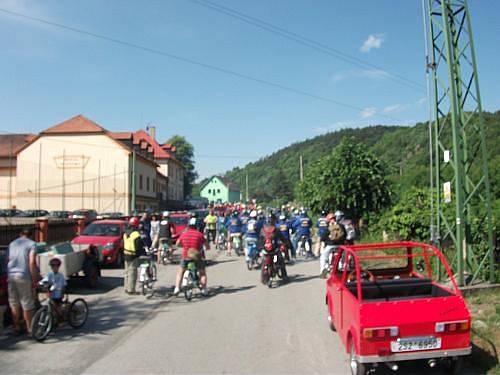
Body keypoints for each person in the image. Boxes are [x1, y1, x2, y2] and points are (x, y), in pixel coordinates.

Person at [7, 229, 39, 335]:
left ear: (20, 234)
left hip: (11, 276)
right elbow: (32, 262)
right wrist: (35, 279)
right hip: (23, 276)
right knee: (27, 304)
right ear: (30, 235)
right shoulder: (32, 244)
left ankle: (16, 327)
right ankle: (30, 328)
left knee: (14, 303)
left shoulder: (12, 244)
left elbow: (8, 259)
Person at [173, 218, 209, 296]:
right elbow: (207, 245)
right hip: (197, 257)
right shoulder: (199, 234)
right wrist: (207, 247)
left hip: (186, 256)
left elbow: (177, 243)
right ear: (196, 226)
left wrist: (183, 246)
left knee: (180, 272)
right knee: (202, 273)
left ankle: (177, 288)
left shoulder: (184, 234)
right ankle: (204, 289)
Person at [260, 213, 288, 283]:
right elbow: (282, 238)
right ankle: (284, 276)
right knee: (281, 260)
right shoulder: (276, 229)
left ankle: (263, 278)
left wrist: (261, 247)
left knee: (264, 262)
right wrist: (285, 243)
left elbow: (260, 239)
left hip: (265, 250)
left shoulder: (263, 229)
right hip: (274, 249)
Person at [123, 217, 145, 295]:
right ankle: (131, 290)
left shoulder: (126, 232)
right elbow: (139, 246)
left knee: (127, 272)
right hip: (133, 255)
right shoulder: (136, 234)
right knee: (133, 273)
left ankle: (126, 288)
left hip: (126, 254)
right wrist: (142, 253)